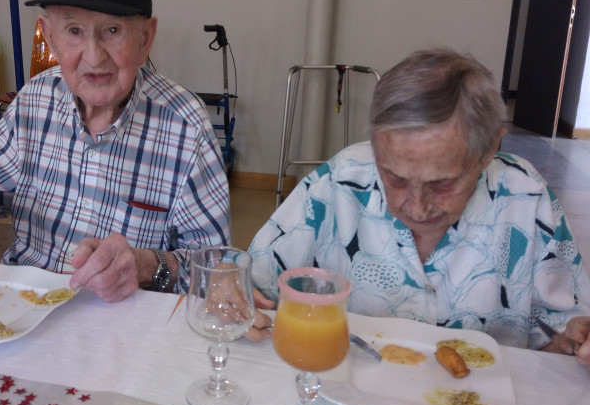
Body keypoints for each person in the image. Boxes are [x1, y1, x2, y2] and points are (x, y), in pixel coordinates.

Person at [0, 0, 234, 304]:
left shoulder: (185, 125)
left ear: (145, 38)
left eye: (112, 30)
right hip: (21, 309)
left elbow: (217, 267)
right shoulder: (34, 100)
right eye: (74, 31)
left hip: (122, 321)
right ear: (50, 38)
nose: (94, 56)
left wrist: (148, 264)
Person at [249, 48, 590, 367]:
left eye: (441, 184)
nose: (416, 206)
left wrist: (573, 340)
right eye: (394, 178)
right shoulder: (342, 178)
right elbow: (254, 281)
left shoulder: (525, 194)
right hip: (350, 395)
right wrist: (233, 288)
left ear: (489, 150)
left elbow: (563, 327)